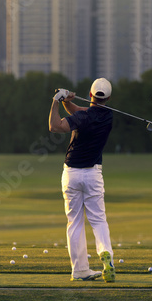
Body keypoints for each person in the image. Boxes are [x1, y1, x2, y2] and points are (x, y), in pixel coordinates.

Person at [48, 78, 115, 282]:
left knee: (75, 222)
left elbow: (55, 126)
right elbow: (79, 111)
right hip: (93, 174)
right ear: (109, 98)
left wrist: (55, 101)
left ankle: (80, 270)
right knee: (98, 220)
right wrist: (67, 100)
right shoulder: (108, 116)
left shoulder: (82, 118)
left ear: (90, 94)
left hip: (72, 174)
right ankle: (106, 255)